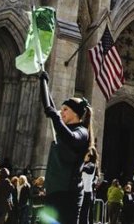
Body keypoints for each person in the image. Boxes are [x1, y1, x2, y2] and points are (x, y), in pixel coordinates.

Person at [39, 70, 93, 224]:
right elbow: (49, 106)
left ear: (75, 114)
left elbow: (72, 139)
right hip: (54, 191)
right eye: (61, 110)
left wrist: (56, 117)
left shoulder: (81, 132)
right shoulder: (63, 129)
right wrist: (43, 81)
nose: (61, 112)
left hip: (69, 193)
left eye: (65, 110)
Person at [79, 147, 98, 224]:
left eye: (85, 154)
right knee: (82, 215)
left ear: (89, 155)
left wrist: (82, 162)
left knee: (84, 216)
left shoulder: (91, 165)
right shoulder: (88, 164)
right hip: (84, 192)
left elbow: (81, 169)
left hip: (86, 193)